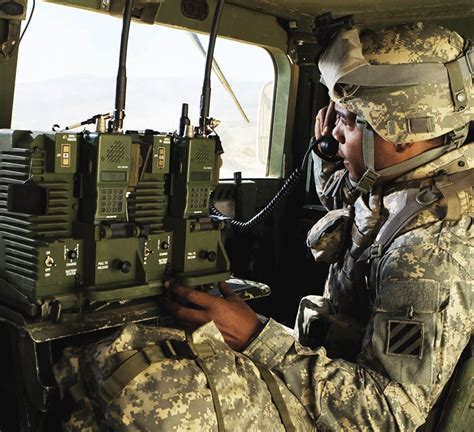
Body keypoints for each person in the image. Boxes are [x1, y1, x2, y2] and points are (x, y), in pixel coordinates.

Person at [166, 22, 473, 430]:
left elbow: (391, 414)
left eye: (348, 121)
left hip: (353, 414)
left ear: (400, 134)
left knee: (161, 400)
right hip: (329, 373)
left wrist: (257, 338)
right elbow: (347, 198)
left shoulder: (427, 254)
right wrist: (332, 157)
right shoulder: (409, 186)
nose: (333, 136)